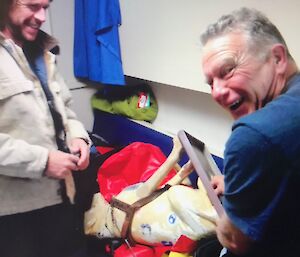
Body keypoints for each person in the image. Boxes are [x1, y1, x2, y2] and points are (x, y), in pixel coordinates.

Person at [200, 7, 300, 257]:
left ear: (277, 59)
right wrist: (237, 183)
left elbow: (235, 240)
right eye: (211, 82)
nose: (217, 92)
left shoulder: (252, 135)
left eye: (227, 71)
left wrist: (226, 221)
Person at [0, 0, 91, 256]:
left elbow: (66, 110)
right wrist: (42, 161)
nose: (41, 16)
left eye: (46, 7)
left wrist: (78, 138)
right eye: (32, 6)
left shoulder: (42, 52)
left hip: (64, 201)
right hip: (14, 217)